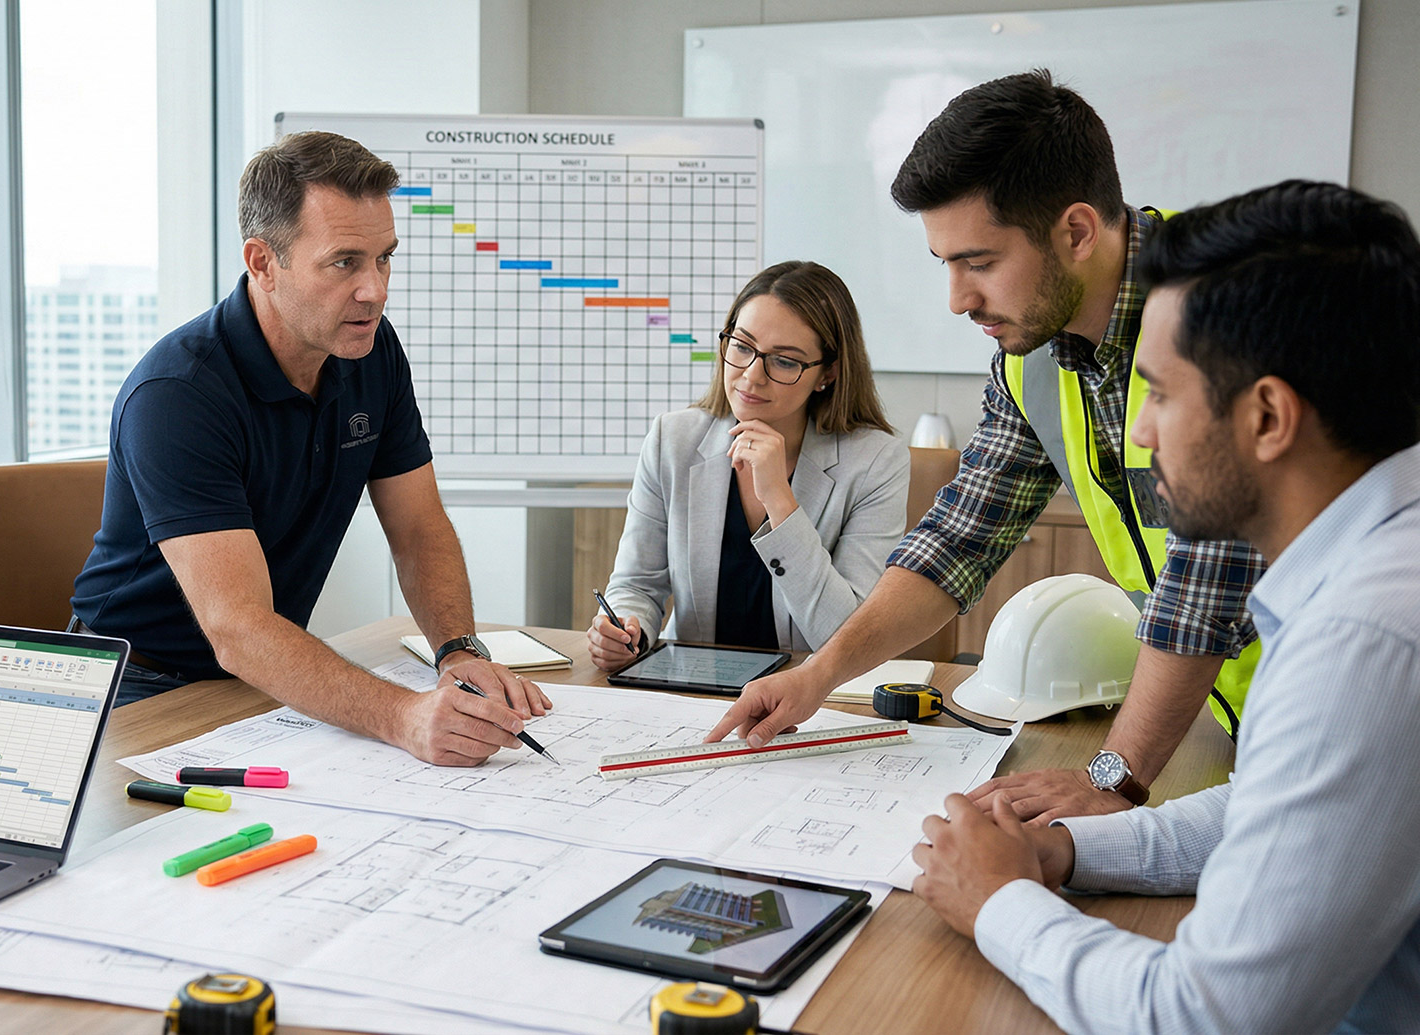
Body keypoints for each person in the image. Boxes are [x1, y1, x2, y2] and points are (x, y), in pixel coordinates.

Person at [911, 180, 1420, 1034]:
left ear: (1267, 416)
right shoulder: (1369, 572)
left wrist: (998, 901)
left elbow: (1208, 1016)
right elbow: (1278, 808)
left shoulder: (1366, 638)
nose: (1139, 432)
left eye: (1160, 393)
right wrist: (1065, 847)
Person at [708, 70, 1264, 824]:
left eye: (979, 262)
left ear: (1075, 231)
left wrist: (1113, 776)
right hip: (1246, 717)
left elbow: (1208, 578)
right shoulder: (1029, 356)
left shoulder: (1218, 312)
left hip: (1350, 699)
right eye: (945, 263)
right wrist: (818, 675)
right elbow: (958, 538)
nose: (958, 299)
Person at [71, 131, 548, 767]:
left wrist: (458, 650)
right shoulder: (177, 394)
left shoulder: (370, 349)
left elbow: (418, 529)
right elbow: (238, 628)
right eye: (344, 262)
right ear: (264, 262)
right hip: (133, 685)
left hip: (253, 676)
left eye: (385, 259)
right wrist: (403, 716)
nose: (374, 289)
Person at [590, 261, 907, 669]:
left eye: (785, 361)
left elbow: (846, 636)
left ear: (827, 373)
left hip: (810, 696)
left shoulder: (876, 461)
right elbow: (636, 585)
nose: (752, 376)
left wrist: (779, 499)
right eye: (742, 346)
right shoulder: (673, 439)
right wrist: (626, 629)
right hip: (690, 689)